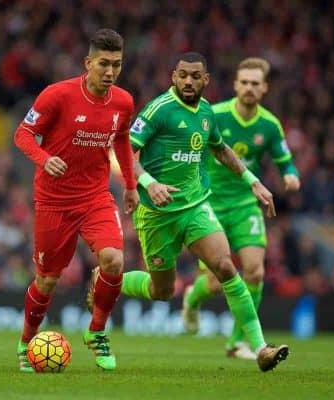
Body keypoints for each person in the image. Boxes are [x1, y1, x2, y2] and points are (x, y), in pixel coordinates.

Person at [89, 51, 288, 372]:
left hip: (195, 206)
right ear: (173, 76)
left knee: (225, 266)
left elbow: (220, 149)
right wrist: (149, 183)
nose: (189, 81)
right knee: (162, 291)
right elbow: (122, 152)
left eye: (196, 76)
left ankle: (260, 347)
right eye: (183, 75)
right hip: (156, 214)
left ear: (205, 80)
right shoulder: (158, 110)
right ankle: (107, 279)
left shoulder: (207, 112)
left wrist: (253, 180)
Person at [13, 28, 138, 372]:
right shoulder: (57, 95)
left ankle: (96, 331)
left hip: (96, 197)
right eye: (103, 64)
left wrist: (130, 184)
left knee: (113, 260)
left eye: (117, 64)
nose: (110, 72)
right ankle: (26, 342)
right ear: (88, 62)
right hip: (53, 202)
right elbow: (22, 134)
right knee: (47, 280)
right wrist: (43, 158)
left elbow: (123, 140)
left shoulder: (123, 102)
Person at [182, 57, 301, 360]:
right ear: (235, 84)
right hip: (208, 202)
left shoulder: (270, 125)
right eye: (244, 82)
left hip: (245, 204)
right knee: (213, 282)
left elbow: (283, 158)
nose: (248, 88)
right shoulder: (216, 114)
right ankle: (192, 298)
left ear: (264, 88)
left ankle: (237, 342)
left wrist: (290, 174)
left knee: (255, 272)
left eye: (255, 83)